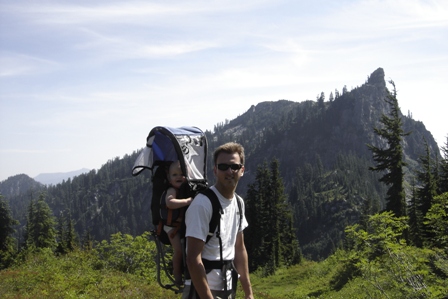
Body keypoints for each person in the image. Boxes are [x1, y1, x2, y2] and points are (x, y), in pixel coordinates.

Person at [183, 142, 254, 299]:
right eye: (223, 167)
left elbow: (239, 249)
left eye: (234, 167)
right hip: (202, 290)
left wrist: (248, 293)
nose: (229, 171)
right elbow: (192, 258)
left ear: (242, 170)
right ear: (215, 170)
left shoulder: (238, 203)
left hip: (228, 287)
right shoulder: (202, 204)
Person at [164, 161, 193, 286]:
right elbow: (169, 203)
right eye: (174, 175)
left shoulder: (185, 189)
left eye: (182, 174)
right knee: (179, 251)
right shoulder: (172, 189)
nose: (178, 177)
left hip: (180, 225)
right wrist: (187, 201)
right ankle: (177, 277)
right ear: (169, 179)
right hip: (170, 226)